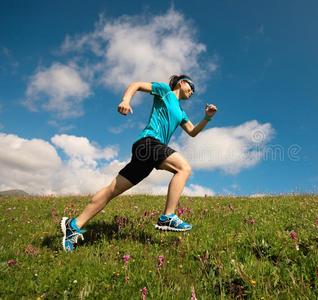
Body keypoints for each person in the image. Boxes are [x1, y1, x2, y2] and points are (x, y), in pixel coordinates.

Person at [60, 75, 217, 252]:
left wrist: (207, 118)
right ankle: (167, 217)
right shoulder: (165, 91)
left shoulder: (181, 113)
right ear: (181, 82)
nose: (192, 91)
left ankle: (74, 225)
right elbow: (136, 85)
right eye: (191, 86)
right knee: (184, 168)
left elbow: (192, 132)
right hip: (149, 142)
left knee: (113, 189)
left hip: (147, 154)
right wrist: (126, 100)